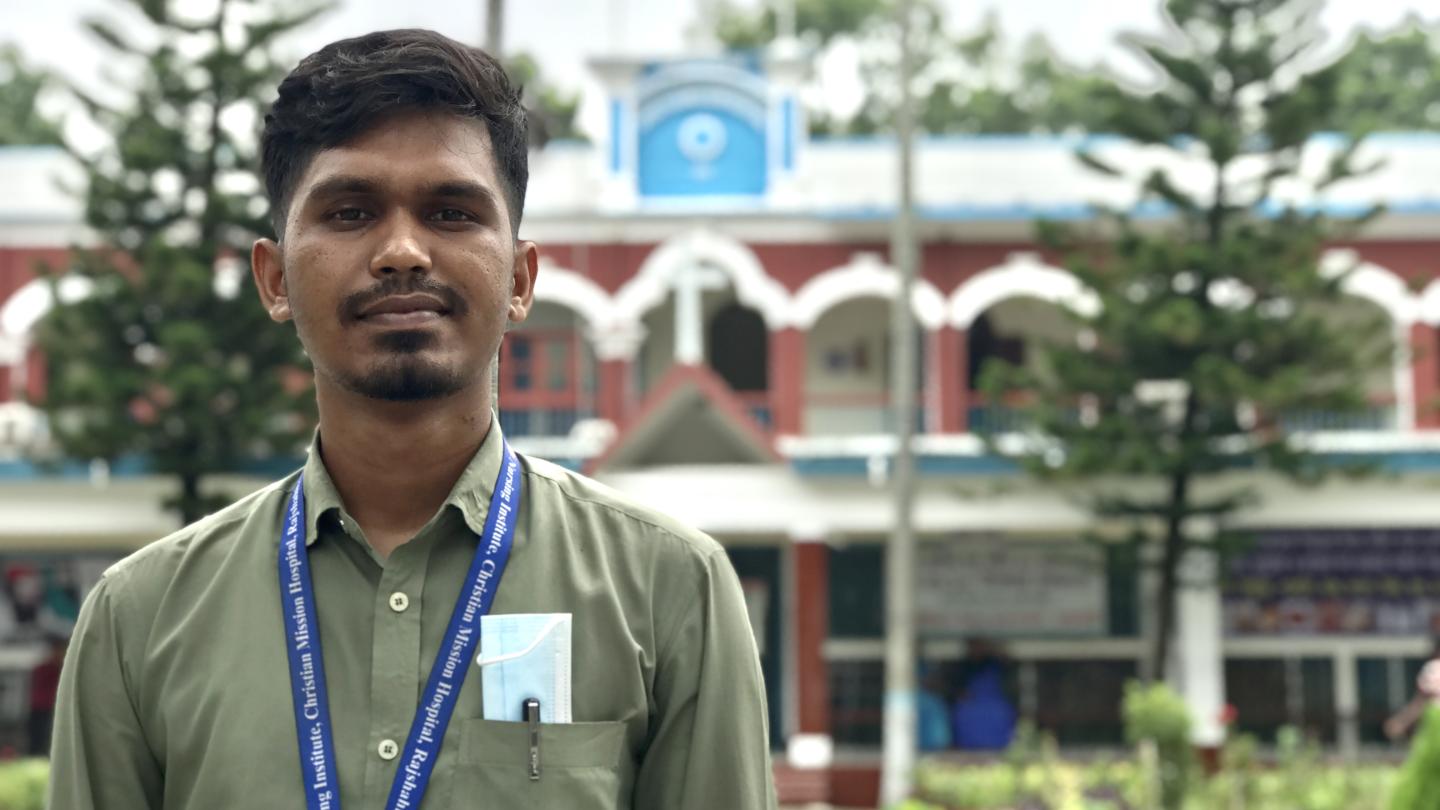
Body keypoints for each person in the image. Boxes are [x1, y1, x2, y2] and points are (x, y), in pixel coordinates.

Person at [48, 29, 776, 810]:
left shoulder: (671, 591)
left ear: (522, 279)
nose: (402, 252)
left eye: (452, 212)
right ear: (275, 279)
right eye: (351, 211)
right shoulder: (138, 620)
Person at [1387, 640, 1440, 810]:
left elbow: (1419, 703)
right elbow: (1421, 702)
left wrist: (1400, 723)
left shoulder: (1433, 669)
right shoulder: (1434, 669)